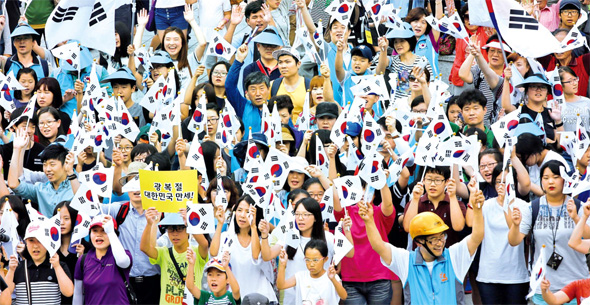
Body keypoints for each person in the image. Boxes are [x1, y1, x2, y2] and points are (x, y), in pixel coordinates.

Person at [360, 188, 484, 304]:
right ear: (419, 242)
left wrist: (477, 210)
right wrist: (369, 221)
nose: (440, 243)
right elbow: (379, 246)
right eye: (434, 239)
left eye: (442, 237)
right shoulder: (406, 260)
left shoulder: (454, 256)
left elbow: (477, 236)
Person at [508, 160, 590, 305]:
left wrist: (578, 218)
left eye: (556, 177)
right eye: (545, 178)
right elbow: (514, 241)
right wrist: (515, 226)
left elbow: (588, 238)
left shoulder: (579, 206)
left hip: (576, 285)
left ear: (565, 179)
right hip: (544, 286)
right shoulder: (532, 208)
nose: (550, 182)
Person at [473, 167, 529, 305]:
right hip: (488, 275)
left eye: (506, 182)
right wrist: (473, 202)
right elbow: (473, 228)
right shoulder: (486, 205)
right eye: (498, 182)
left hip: (515, 277)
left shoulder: (523, 207)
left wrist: (506, 204)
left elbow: (515, 239)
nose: (502, 186)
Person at [209, 195, 277, 302]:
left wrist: (253, 226)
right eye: (239, 210)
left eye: (247, 212)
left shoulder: (262, 239)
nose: (242, 215)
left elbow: (255, 256)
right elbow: (213, 252)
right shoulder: (226, 237)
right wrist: (220, 223)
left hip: (260, 298)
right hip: (235, 297)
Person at [140, 209, 209, 305]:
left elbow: (204, 244)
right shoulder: (164, 253)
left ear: (188, 230)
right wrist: (149, 224)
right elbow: (144, 248)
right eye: (171, 229)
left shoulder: (195, 252)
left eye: (180, 228)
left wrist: (190, 222)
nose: (175, 234)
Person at [7, 133, 79, 217]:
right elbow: (13, 184)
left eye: (52, 164)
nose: (47, 169)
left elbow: (83, 202)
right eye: (44, 164)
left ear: (65, 164)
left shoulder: (76, 186)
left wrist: (70, 172)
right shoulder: (40, 189)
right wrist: (16, 149)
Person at [5, 221, 74, 304]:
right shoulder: (18, 267)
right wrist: (11, 270)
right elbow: (5, 294)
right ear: (25, 242)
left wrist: (57, 266)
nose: (35, 245)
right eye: (31, 240)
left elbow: (69, 292)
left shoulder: (58, 265)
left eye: (40, 240)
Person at [72, 214, 133, 305]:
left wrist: (111, 232)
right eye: (95, 231)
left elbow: (122, 262)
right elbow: (78, 294)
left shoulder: (123, 254)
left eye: (104, 231)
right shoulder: (83, 260)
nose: (99, 235)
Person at [403, 166, 466, 248]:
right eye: (429, 179)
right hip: (421, 256)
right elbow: (408, 228)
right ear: (423, 180)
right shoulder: (415, 203)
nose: (432, 184)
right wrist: (415, 199)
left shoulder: (456, 204)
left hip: (448, 255)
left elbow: (458, 227)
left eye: (437, 180)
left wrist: (453, 196)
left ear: (447, 182)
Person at [277, 239, 348, 304]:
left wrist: (333, 280)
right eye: (307, 260)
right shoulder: (300, 276)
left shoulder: (331, 276)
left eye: (315, 260)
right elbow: (281, 285)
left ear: (325, 259)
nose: (311, 264)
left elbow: (343, 296)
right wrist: (282, 265)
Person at [458, 35, 508, 126]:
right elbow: (463, 75)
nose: (495, 55)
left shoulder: (509, 74)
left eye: (500, 52)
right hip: (480, 123)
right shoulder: (478, 70)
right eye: (492, 50)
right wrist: (472, 54)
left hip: (502, 124)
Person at [376, 25, 433, 101]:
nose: (398, 45)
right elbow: (379, 72)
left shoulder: (422, 61)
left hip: (416, 104)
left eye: (402, 41)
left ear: (410, 41)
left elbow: (430, 84)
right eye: (396, 42)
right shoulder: (393, 60)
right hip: (396, 105)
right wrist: (383, 49)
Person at [226, 44, 270, 139]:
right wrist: (238, 60)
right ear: (247, 93)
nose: (258, 93)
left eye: (261, 88)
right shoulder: (242, 105)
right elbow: (229, 86)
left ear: (268, 90)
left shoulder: (276, 107)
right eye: (253, 89)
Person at [515, 133, 570, 198]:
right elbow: (522, 193)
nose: (521, 161)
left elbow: (550, 192)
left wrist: (526, 183)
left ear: (533, 153)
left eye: (521, 158)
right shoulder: (532, 163)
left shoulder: (554, 160)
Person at [0, 107, 45, 180]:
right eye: (25, 126)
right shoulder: (4, 150)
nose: (29, 130)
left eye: (33, 127)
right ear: (14, 126)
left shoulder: (42, 150)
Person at [271, 47, 310, 123]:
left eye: (287, 62)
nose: (283, 66)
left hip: (304, 132)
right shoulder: (273, 85)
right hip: (281, 131)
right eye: (280, 62)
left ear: (298, 64)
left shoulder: (308, 85)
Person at [557, 66, 590, 132]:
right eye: (570, 81)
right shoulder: (553, 105)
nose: (575, 83)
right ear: (560, 84)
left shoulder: (587, 102)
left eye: (575, 79)